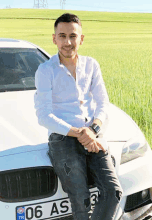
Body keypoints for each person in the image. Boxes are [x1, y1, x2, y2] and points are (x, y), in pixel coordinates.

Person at [34, 13, 122, 220]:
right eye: (62, 36)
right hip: (63, 138)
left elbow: (103, 103)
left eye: (73, 36)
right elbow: (44, 115)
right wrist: (82, 134)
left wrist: (93, 131)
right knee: (81, 200)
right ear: (54, 38)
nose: (67, 42)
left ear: (81, 39)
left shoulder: (91, 65)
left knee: (113, 192)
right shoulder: (45, 70)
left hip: (93, 135)